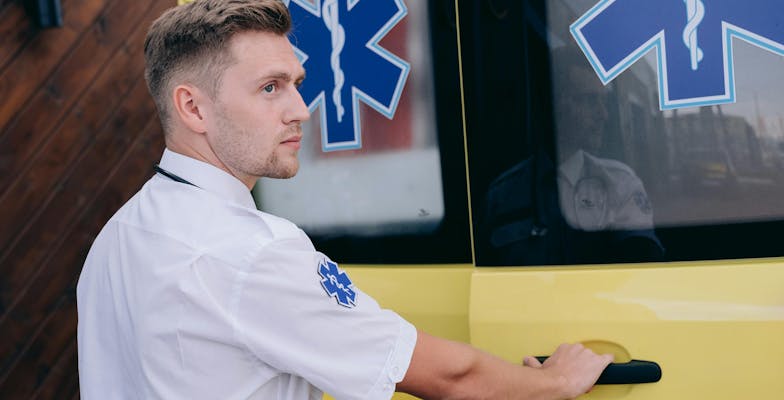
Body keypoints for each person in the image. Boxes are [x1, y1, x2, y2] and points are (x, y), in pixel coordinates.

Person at [76, 1, 612, 399]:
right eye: (270, 88)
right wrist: (558, 382)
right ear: (193, 108)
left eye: (297, 83)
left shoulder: (116, 238)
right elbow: (446, 376)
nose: (301, 110)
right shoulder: (251, 252)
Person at [481, 47, 664, 265]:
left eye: (603, 101)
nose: (603, 115)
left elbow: (641, 264)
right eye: (589, 100)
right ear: (556, 103)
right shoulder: (502, 195)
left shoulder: (619, 183)